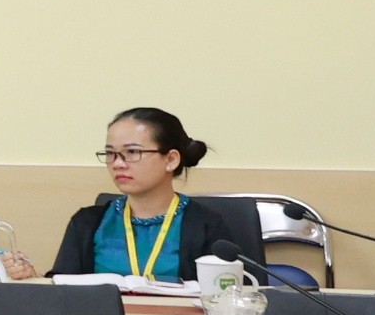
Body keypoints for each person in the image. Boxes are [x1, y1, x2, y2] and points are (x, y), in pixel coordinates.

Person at [47, 107, 260, 282]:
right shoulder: (86, 223)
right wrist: (34, 280)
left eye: (132, 152)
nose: (117, 163)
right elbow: (63, 293)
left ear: (171, 160)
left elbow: (227, 295)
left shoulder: (207, 225)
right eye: (111, 153)